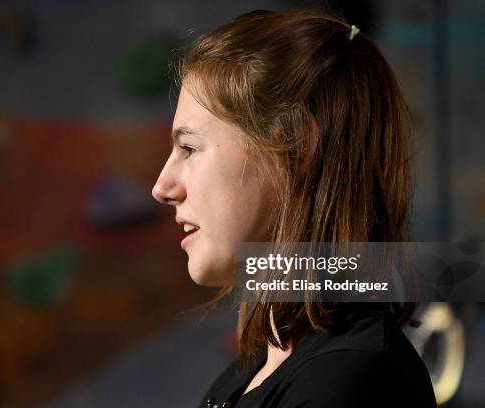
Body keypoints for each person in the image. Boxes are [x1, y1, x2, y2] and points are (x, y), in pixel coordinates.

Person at [151, 9, 437, 408]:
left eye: (190, 148)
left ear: (296, 150)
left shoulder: (348, 382)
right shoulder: (254, 368)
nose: (162, 187)